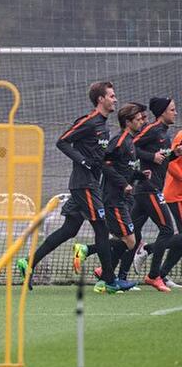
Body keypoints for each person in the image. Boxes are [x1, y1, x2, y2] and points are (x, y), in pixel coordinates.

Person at [16, 81, 134, 293]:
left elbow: (100, 157)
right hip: (84, 185)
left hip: (89, 185)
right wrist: (83, 161)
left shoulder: (104, 125)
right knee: (102, 227)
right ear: (101, 99)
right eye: (112, 96)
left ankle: (28, 262)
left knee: (69, 230)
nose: (115, 99)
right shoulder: (89, 121)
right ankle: (108, 280)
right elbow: (62, 141)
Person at [72, 103, 148, 284]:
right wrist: (123, 184)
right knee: (131, 241)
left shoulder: (130, 142)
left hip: (122, 199)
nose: (142, 122)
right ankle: (89, 254)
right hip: (113, 199)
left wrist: (138, 175)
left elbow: (123, 168)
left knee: (126, 240)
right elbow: (106, 165)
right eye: (139, 119)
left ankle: (105, 277)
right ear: (128, 122)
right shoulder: (119, 141)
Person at [118, 97, 181, 291]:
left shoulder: (164, 134)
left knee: (132, 234)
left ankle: (109, 272)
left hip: (150, 189)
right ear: (162, 112)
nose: (175, 112)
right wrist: (150, 157)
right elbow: (129, 145)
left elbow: (162, 159)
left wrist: (174, 154)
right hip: (148, 188)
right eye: (172, 109)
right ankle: (154, 275)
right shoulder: (153, 129)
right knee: (167, 230)